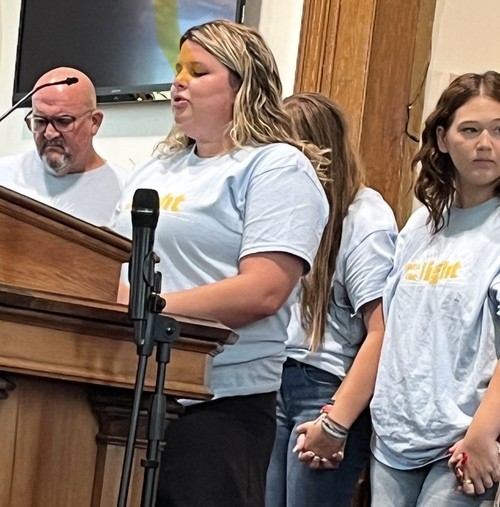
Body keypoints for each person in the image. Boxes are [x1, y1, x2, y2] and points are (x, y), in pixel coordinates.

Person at [111, 20, 329, 507]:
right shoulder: (156, 169)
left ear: (242, 85)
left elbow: (263, 291)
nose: (178, 82)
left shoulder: (275, 167)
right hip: (126, 391)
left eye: (197, 71)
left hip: (219, 404)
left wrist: (147, 307)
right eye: (178, 69)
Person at [369, 70, 500, 506]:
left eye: (499, 131)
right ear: (442, 139)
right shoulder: (420, 225)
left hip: (464, 442)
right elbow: (392, 328)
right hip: (394, 439)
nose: (486, 144)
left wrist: (482, 435)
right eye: (471, 130)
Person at [264, 93, 397, 507]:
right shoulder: (289, 211)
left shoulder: (365, 219)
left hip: (324, 388)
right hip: (274, 376)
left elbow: (382, 331)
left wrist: (336, 423)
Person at [0, 66, 126, 226]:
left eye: (63, 121)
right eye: (39, 121)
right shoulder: (4, 175)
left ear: (94, 122)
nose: (49, 133)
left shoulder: (123, 191)